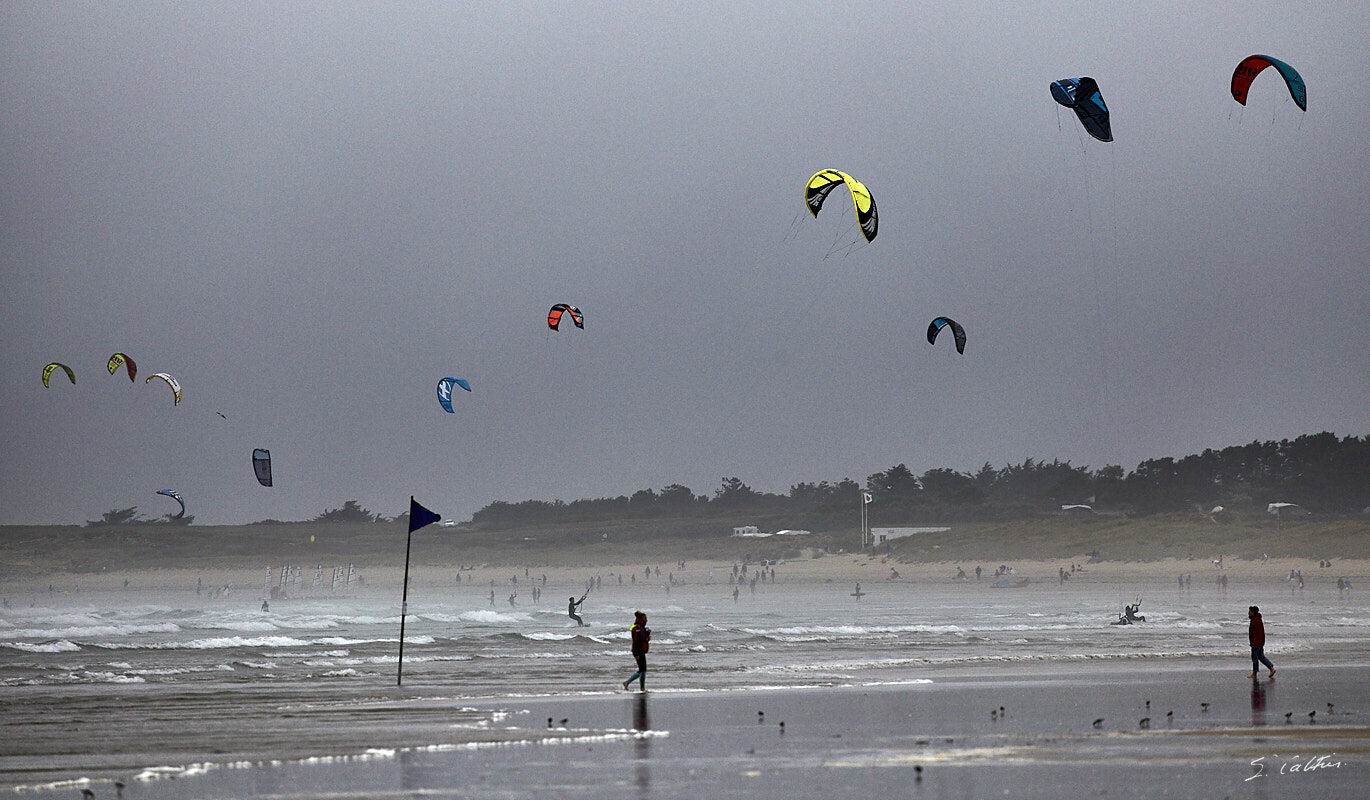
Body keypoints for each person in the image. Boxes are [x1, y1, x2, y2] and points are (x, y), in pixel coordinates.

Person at [622, 611, 651, 691]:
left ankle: (630, 683)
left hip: (641, 650)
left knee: (642, 670)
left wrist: (647, 638)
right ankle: (637, 686)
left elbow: (643, 640)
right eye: (645, 618)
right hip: (638, 651)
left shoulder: (642, 628)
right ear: (641, 619)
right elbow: (636, 641)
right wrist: (637, 653)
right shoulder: (636, 629)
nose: (647, 620)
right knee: (642, 670)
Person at [1247, 605, 1275, 679]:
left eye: (1249, 612)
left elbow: (1257, 633)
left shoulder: (1256, 620)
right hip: (1259, 642)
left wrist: (1255, 643)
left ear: (1253, 612)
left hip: (1256, 642)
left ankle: (1254, 674)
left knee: (1255, 657)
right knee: (1261, 657)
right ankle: (1271, 668)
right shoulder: (1257, 619)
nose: (1248, 614)